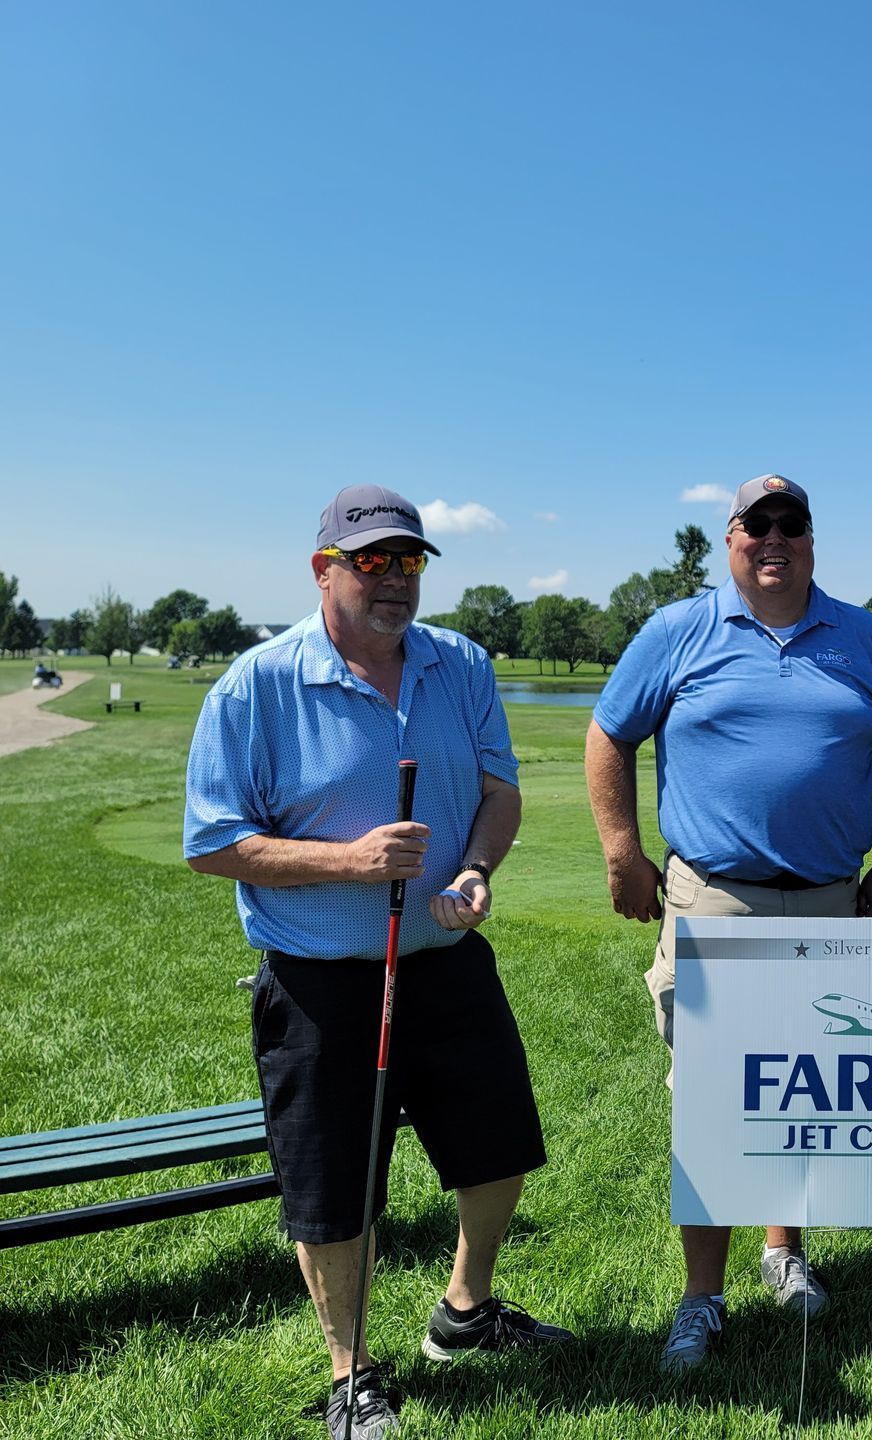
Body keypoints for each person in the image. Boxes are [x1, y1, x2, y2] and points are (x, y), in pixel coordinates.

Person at [185, 485, 569, 1440]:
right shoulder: (256, 685)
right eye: (372, 561)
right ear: (325, 569)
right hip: (320, 977)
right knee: (336, 1186)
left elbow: (499, 791)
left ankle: (465, 1311)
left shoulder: (462, 663)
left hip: (444, 956)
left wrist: (477, 869)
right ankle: (350, 1370)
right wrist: (349, 862)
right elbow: (211, 839)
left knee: (498, 1152)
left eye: (409, 562)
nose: (395, 580)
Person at [584, 473, 872, 1373]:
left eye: (792, 524)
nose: (774, 538)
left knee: (808, 1088)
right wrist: (623, 851)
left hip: (828, 895)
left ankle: (784, 1251)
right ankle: (702, 1297)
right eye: (755, 524)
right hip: (713, 897)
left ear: (813, 539)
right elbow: (609, 734)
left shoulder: (864, 636)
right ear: (730, 539)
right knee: (712, 1100)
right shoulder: (679, 629)